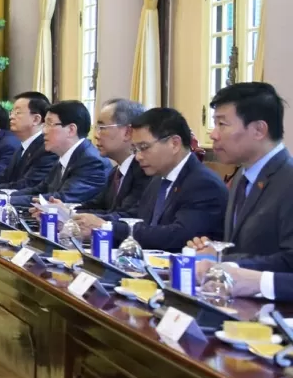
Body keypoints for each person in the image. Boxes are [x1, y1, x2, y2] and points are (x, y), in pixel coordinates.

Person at [74, 107, 227, 251]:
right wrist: (88, 222)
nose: (138, 156)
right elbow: (136, 218)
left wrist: (106, 226)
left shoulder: (202, 184)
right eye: (135, 149)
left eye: (144, 148)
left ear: (174, 144)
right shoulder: (157, 179)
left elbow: (178, 235)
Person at [186, 82, 293, 271]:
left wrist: (222, 260)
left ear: (259, 130)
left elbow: (288, 260)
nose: (214, 135)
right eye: (214, 124)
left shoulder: (287, 180)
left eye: (222, 124)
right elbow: (240, 246)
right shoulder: (242, 176)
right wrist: (213, 249)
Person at [4, 100, 108, 208]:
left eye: (49, 124)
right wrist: (4, 197)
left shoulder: (91, 161)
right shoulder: (64, 157)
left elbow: (61, 199)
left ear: (71, 130)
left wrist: (8, 200)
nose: (44, 131)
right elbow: (39, 189)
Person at [81, 98, 151, 213]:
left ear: (128, 132)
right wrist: (66, 210)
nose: (96, 136)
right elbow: (96, 205)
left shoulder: (144, 172)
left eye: (102, 128)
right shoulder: (115, 172)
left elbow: (126, 215)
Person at [0, 92, 57, 193]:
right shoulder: (22, 146)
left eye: (17, 113)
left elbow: (26, 185)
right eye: (11, 112)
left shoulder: (47, 149)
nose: (11, 117)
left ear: (36, 119)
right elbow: (3, 178)